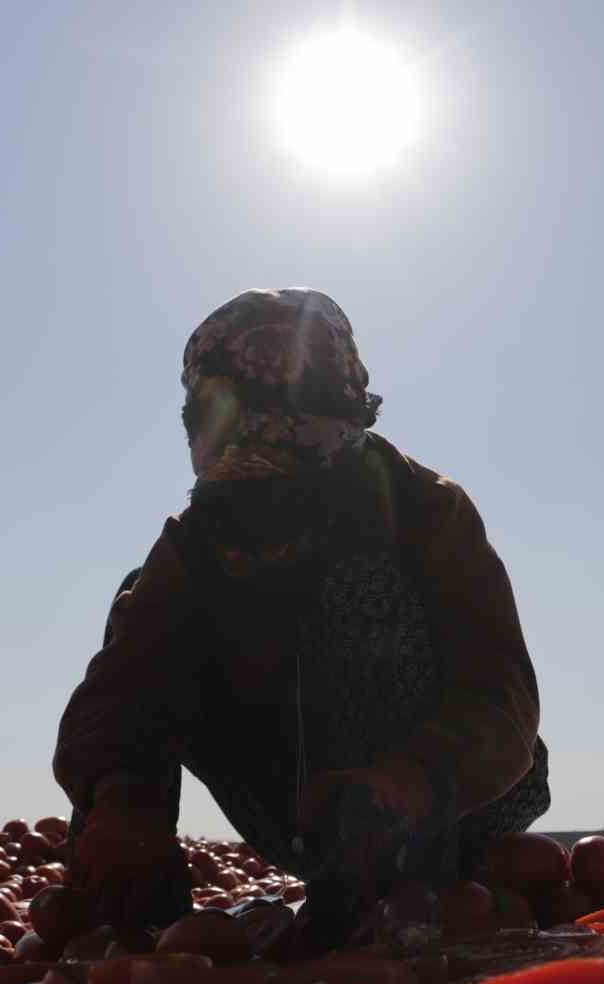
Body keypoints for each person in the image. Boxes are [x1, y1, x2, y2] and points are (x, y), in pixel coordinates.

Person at [54, 289, 549, 944]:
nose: (264, 514)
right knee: (142, 602)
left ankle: (414, 877)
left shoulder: (427, 513)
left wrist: (399, 788)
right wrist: (123, 804)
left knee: (353, 590)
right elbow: (121, 695)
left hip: (455, 806)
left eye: (285, 488)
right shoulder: (197, 543)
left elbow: (501, 700)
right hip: (296, 814)